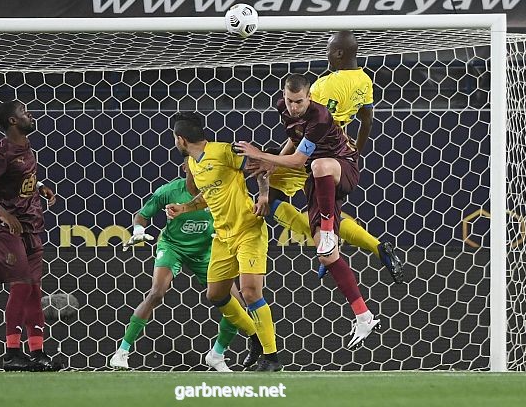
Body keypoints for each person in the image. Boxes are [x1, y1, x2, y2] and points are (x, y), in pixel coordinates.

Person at [235, 74, 380, 347]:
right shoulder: (283, 108)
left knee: (319, 165)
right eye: (289, 101)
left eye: (299, 102)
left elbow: (300, 158)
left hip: (343, 167)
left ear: (309, 97)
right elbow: (295, 142)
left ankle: (329, 231)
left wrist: (261, 155)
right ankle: (364, 315)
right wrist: (271, 167)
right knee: (328, 257)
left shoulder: (321, 117)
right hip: (318, 183)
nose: (293, 107)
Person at [266, 31, 404, 284]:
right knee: (329, 215)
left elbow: (304, 131)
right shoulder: (364, 81)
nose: (326, 54)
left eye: (329, 50)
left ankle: (326, 247)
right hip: (340, 154)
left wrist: (274, 161)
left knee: (271, 201)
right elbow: (367, 120)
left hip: (313, 153)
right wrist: (354, 155)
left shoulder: (322, 85)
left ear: (339, 53)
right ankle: (376, 246)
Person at [109, 159, 261, 372]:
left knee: (235, 304)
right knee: (157, 293)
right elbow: (142, 216)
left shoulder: (216, 191)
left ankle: (217, 355)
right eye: (195, 165)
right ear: (185, 168)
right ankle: (121, 352)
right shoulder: (169, 191)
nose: (201, 169)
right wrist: (138, 232)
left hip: (206, 250)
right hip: (173, 247)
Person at [166, 112, 281, 371]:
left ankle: (271, 358)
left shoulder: (223, 151)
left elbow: (259, 165)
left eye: (174, 138)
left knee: (250, 292)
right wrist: (185, 208)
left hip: (248, 230)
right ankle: (254, 335)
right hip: (223, 237)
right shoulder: (193, 164)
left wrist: (263, 195)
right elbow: (209, 195)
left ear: (181, 139)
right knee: (216, 294)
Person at [0, 100, 61, 371]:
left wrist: (40, 186)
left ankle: (37, 353)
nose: (30, 113)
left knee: (34, 290)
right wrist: (2, 213)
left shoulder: (26, 148)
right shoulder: (2, 151)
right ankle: (11, 353)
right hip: (6, 229)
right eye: (24, 112)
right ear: (12, 121)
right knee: (21, 285)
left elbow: (18, 177)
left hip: (30, 226)